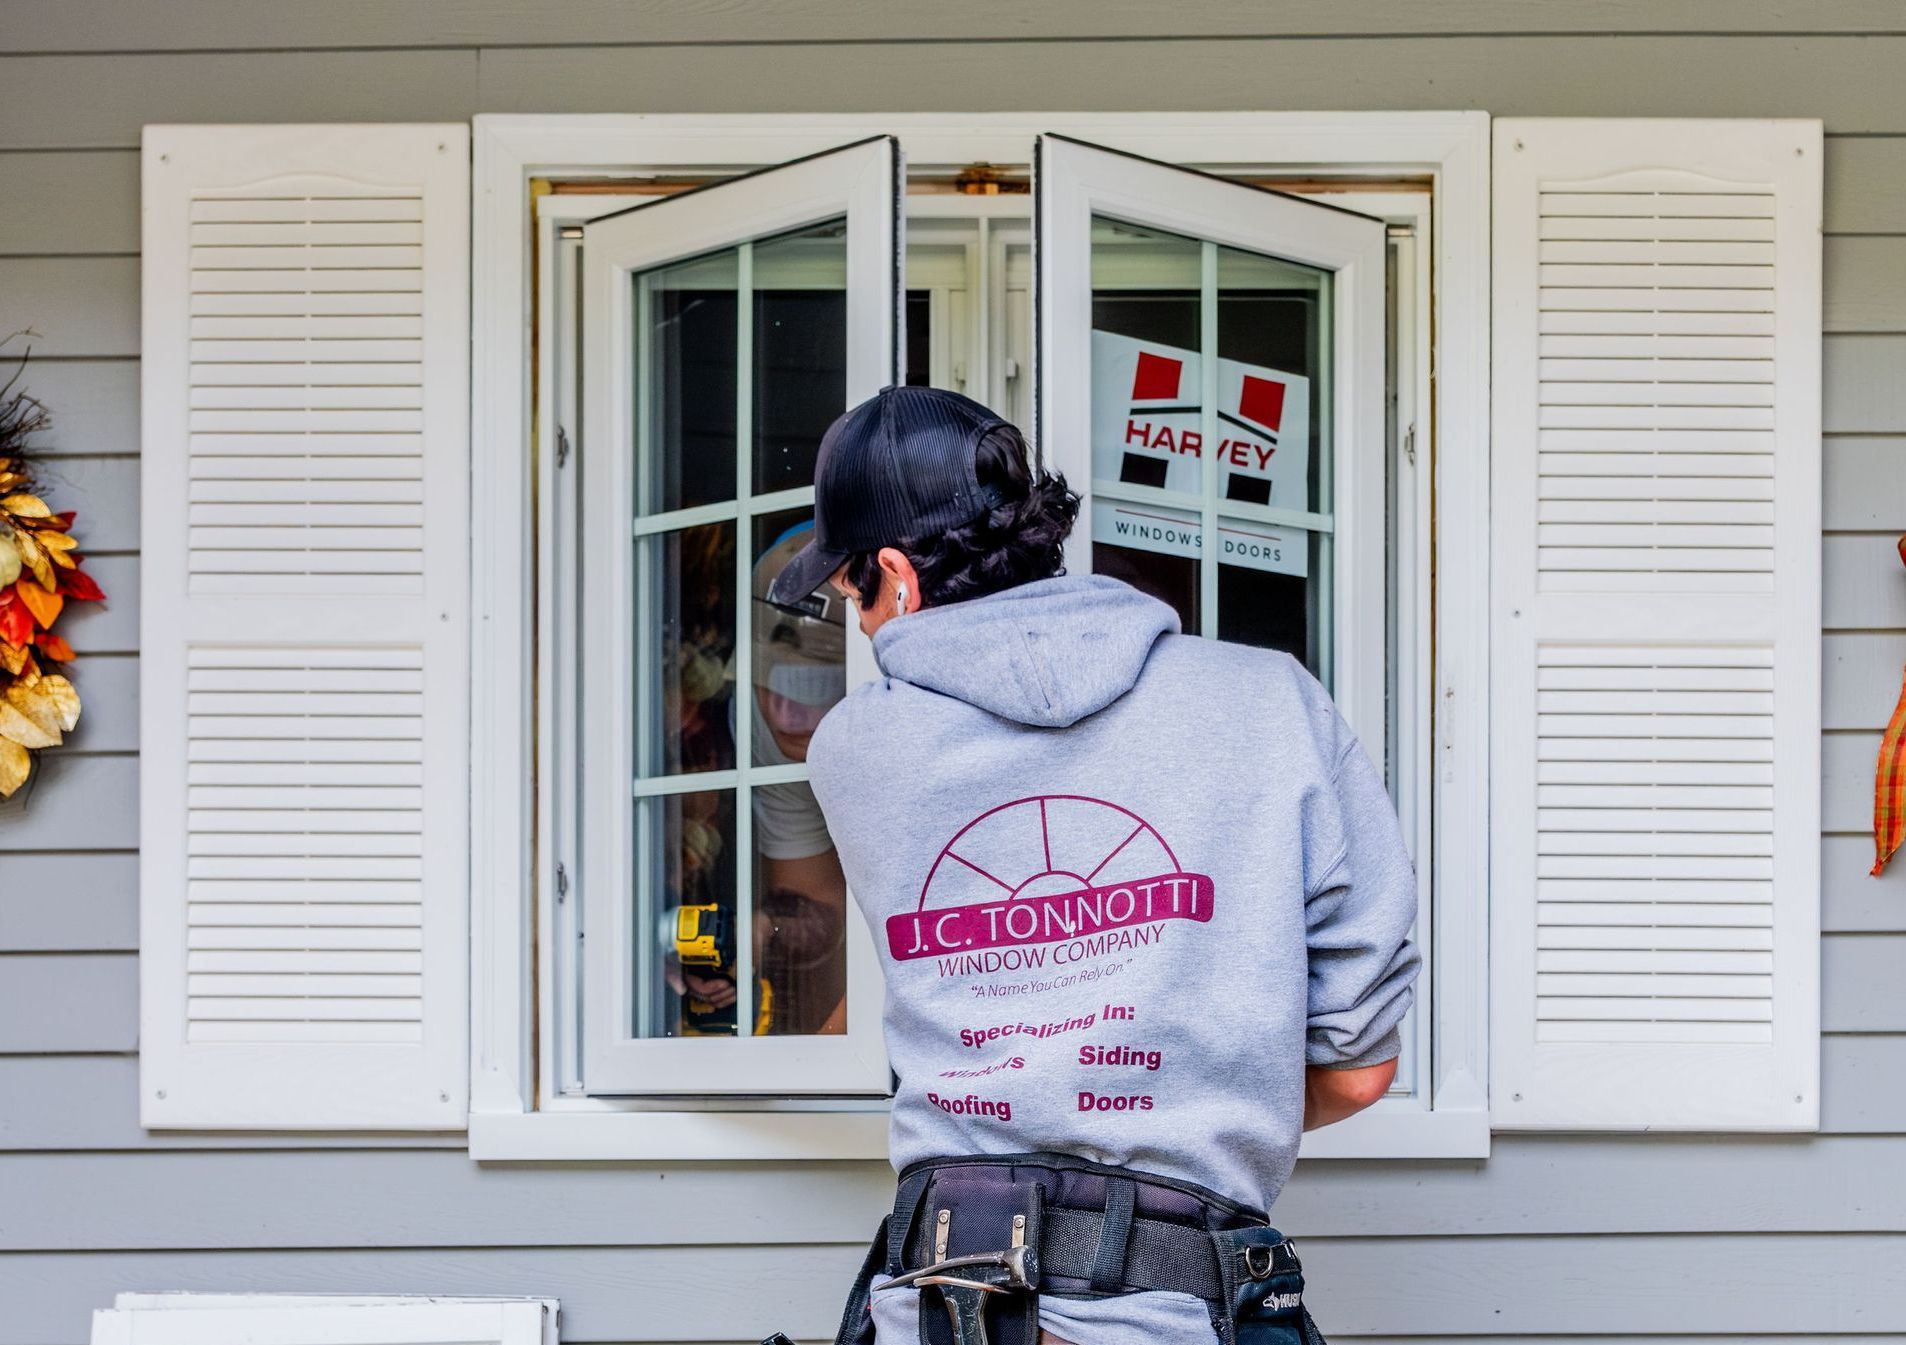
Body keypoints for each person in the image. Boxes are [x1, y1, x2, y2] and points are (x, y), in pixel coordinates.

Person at [768, 386, 1420, 1345]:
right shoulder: (1270, 701)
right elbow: (1358, 1072)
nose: (862, 630)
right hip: (1191, 1303)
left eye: (850, 597)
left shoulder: (858, 749)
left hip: (948, 1302)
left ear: (896, 578)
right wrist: (1195, 1111)